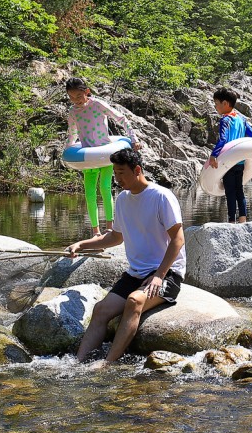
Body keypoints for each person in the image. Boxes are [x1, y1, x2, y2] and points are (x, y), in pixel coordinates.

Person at [66, 148, 186, 366]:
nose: (117, 179)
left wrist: (160, 275)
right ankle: (78, 364)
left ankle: (107, 364)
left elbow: (178, 240)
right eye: (115, 173)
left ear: (137, 170)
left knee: (134, 301)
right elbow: (115, 237)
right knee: (100, 310)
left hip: (168, 273)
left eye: (121, 173)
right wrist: (82, 245)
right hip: (136, 273)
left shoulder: (162, 197)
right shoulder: (122, 199)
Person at [65, 77, 140, 237]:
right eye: (71, 97)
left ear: (87, 92)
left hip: (105, 155)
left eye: (78, 96)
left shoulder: (98, 104)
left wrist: (133, 138)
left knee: (105, 187)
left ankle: (110, 227)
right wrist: (67, 150)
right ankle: (95, 231)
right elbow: (72, 133)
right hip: (88, 157)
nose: (75, 101)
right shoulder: (73, 111)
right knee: (89, 192)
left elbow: (121, 118)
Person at [208, 87, 252, 223]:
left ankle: (232, 220)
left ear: (225, 103)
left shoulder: (226, 120)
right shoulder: (241, 120)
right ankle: (243, 218)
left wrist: (214, 155)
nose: (215, 107)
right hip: (240, 163)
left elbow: (223, 139)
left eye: (216, 104)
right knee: (239, 191)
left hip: (228, 162)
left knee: (230, 192)